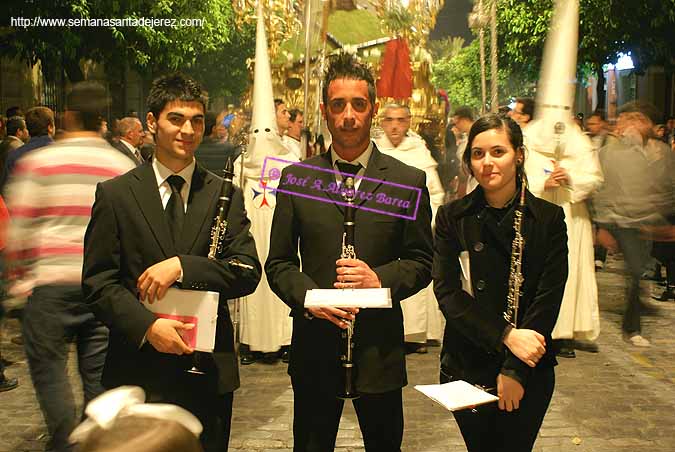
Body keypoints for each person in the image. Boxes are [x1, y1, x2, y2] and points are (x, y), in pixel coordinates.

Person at [82, 73, 262, 452]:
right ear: (152, 123)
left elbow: (246, 271)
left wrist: (183, 265)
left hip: (208, 369)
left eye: (197, 120)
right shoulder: (116, 195)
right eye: (176, 119)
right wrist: (148, 327)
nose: (188, 130)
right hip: (138, 366)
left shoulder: (224, 193)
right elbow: (99, 284)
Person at [265, 53, 433, 452]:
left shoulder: (408, 182)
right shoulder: (297, 179)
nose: (348, 115)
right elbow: (279, 263)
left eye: (358, 104)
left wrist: (381, 280)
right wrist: (309, 298)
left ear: (372, 109)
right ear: (325, 111)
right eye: (338, 105)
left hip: (380, 352)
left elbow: (423, 261)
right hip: (315, 349)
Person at [4, 82, 135, 452]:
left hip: (50, 286)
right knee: (97, 375)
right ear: (103, 121)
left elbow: (21, 226)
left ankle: (65, 443)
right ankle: (97, 442)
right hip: (101, 286)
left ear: (68, 116)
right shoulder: (120, 164)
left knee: (49, 372)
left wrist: (19, 279)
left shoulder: (41, 162)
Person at [433, 113, 568, 452]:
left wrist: (515, 371)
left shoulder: (548, 220)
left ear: (518, 155)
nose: (487, 163)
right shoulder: (452, 217)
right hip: (466, 364)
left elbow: (546, 300)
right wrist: (506, 335)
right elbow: (449, 294)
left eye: (498, 152)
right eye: (478, 154)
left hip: (528, 367)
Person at [592, 101, 672, 346]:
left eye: (640, 118)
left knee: (637, 273)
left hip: (643, 221)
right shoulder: (612, 151)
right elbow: (601, 189)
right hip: (619, 219)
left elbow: (664, 186)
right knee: (636, 273)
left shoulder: (660, 151)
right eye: (630, 118)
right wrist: (602, 226)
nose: (635, 123)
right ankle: (631, 327)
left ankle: (635, 315)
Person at [375, 103, 445, 353]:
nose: (395, 126)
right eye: (389, 120)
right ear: (382, 123)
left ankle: (414, 336)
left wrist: (420, 220)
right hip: (378, 231)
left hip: (410, 228)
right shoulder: (373, 152)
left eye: (400, 120)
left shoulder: (419, 153)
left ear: (408, 123)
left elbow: (435, 195)